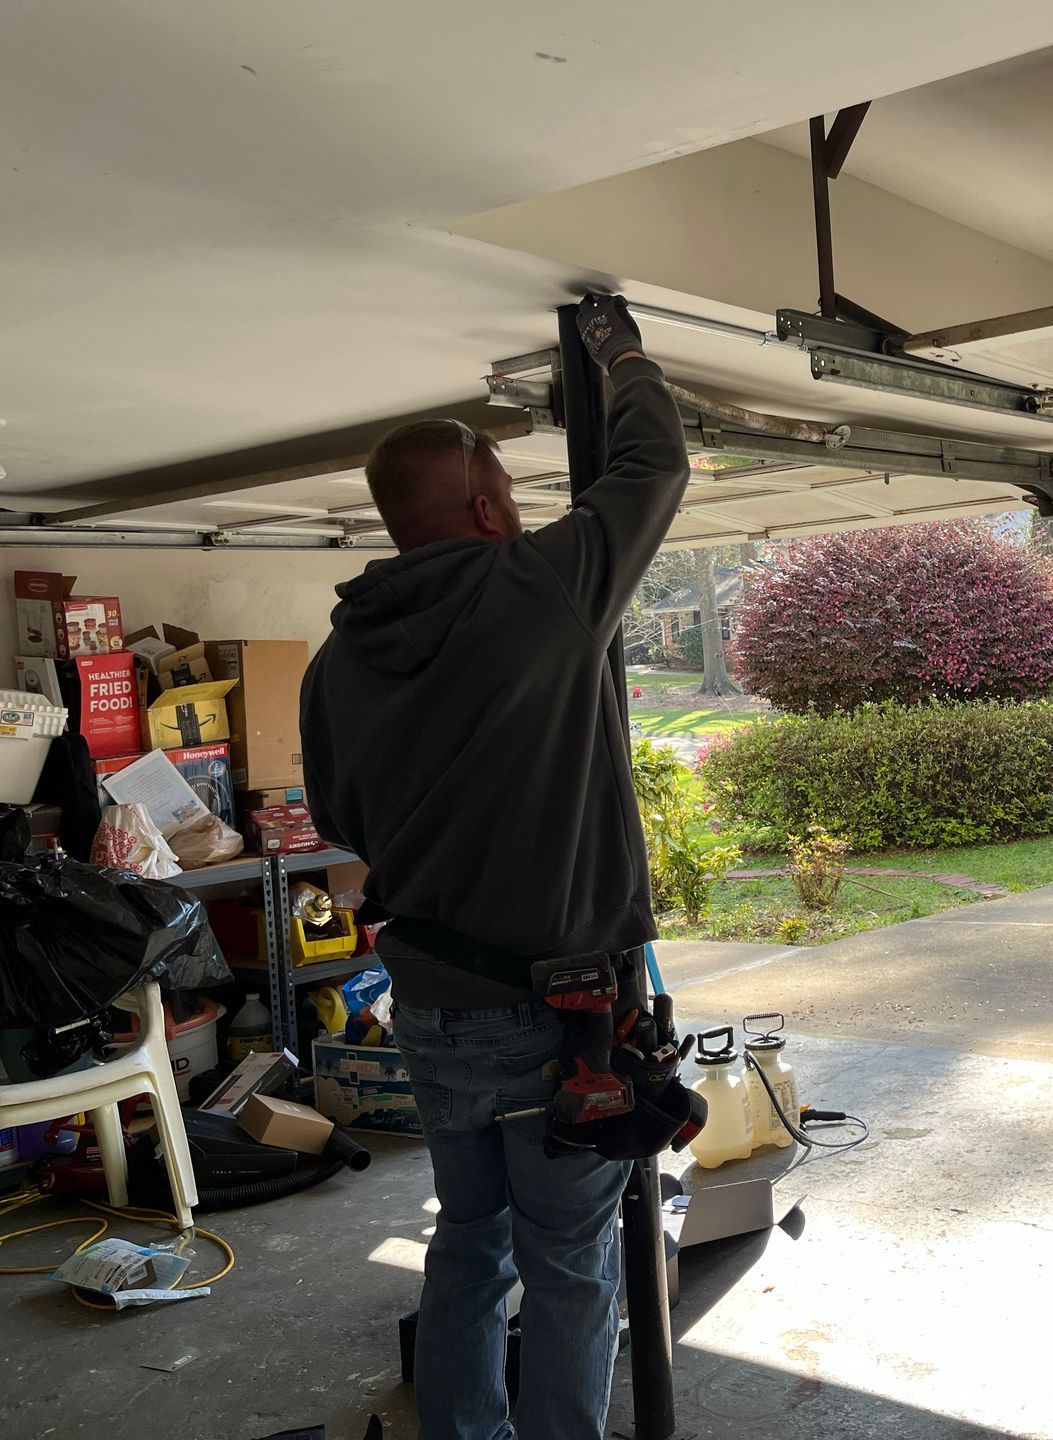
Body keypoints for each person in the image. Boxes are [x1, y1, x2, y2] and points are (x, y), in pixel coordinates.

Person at [300, 293, 687, 1440]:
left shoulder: (335, 661)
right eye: (513, 493)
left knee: (470, 1239)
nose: (523, 509)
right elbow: (652, 466)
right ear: (481, 504)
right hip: (552, 1010)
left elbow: (341, 816)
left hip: (426, 1003)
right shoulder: (541, 589)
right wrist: (622, 352)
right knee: (569, 1259)